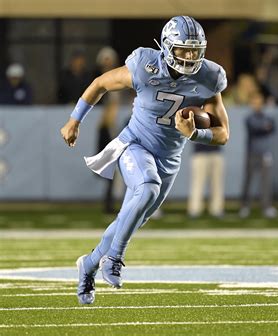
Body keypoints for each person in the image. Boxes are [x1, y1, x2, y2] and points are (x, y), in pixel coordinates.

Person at [60, 16, 229, 305]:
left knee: (133, 217)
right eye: (183, 50)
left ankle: (88, 265)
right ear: (166, 47)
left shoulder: (209, 77)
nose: (190, 57)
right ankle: (114, 258)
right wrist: (75, 120)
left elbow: (222, 133)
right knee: (147, 187)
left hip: (169, 159)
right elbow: (100, 83)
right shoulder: (144, 65)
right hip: (135, 144)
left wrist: (195, 133)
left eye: (195, 50)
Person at [239, 92, 278, 218]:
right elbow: (256, 130)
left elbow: (272, 128)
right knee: (248, 180)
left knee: (266, 182)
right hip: (252, 152)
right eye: (255, 102)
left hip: (265, 152)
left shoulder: (267, 117)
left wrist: (266, 127)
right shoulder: (249, 118)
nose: (257, 105)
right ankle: (245, 206)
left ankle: (266, 206)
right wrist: (265, 127)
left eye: (259, 102)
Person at [95, 46, 122, 213]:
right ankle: (110, 202)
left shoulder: (120, 77)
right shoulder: (100, 81)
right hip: (108, 130)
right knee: (110, 169)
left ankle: (114, 202)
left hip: (118, 128)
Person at [187, 143, 225, 218]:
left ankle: (217, 208)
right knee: (197, 184)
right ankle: (195, 208)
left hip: (216, 152)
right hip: (200, 153)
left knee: (217, 184)